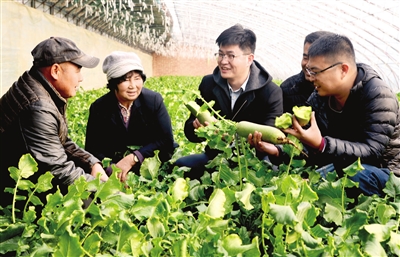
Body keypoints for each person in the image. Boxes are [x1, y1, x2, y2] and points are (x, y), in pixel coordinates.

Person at [249, 33, 400, 197]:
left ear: (343, 70)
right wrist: (278, 151)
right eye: (309, 70)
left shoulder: (377, 95)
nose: (311, 77)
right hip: (346, 164)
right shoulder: (320, 96)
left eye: (315, 71)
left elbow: (372, 151)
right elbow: (311, 143)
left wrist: (322, 144)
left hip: (388, 172)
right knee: (305, 177)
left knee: (355, 176)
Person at [0, 37, 109, 210]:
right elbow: (57, 169)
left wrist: (92, 162)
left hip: (25, 170)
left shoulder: (40, 88)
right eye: (78, 70)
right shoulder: (38, 106)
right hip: (12, 192)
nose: (81, 78)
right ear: (56, 70)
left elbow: (60, 141)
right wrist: (103, 189)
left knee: (101, 173)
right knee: (96, 204)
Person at [175, 24, 283, 180]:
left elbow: (273, 137)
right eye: (220, 54)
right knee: (180, 166)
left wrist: (256, 144)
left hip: (253, 163)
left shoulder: (270, 92)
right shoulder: (208, 84)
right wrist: (195, 127)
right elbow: (189, 131)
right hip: (216, 159)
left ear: (249, 59)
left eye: (231, 56)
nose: (223, 61)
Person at [85, 51, 177, 182]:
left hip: (149, 163)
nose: (133, 86)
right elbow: (92, 149)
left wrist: (134, 158)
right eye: (125, 79)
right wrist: (113, 169)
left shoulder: (153, 101)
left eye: (137, 78)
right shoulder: (99, 108)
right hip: (115, 167)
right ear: (114, 83)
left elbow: (166, 140)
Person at [280, 31, 334, 113]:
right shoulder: (287, 89)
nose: (308, 65)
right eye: (306, 57)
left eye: (315, 59)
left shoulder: (338, 92)